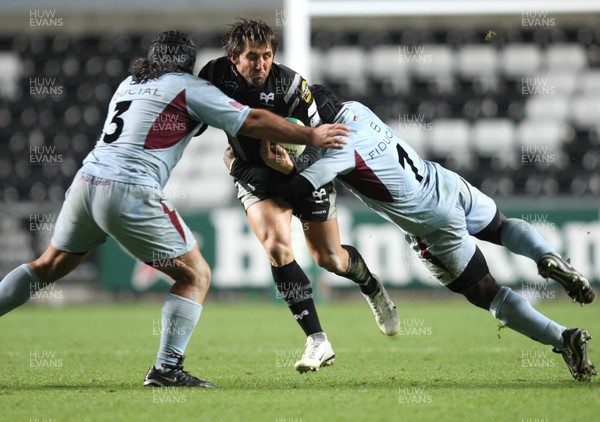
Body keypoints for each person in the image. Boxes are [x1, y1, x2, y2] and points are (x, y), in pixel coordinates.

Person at [0, 31, 349, 388]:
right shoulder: (188, 87)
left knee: (47, 265)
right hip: (129, 189)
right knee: (195, 276)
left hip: (86, 183)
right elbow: (252, 121)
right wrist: (311, 136)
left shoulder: (129, 83)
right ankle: (167, 369)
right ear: (187, 62)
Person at [257, 84, 597, 382]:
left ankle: (564, 338)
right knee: (501, 226)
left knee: (487, 294)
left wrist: (287, 166)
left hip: (431, 222)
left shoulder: (339, 150)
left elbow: (299, 188)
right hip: (443, 181)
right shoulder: (358, 110)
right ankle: (544, 255)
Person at [199, 19, 399, 373]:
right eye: (251, 57)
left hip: (304, 172)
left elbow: (320, 139)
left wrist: (293, 165)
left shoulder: (291, 86)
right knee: (276, 246)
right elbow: (195, 117)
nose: (260, 65)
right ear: (234, 57)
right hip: (253, 173)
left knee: (330, 259)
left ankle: (370, 285)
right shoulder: (214, 76)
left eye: (267, 56)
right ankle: (317, 340)